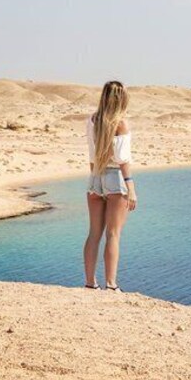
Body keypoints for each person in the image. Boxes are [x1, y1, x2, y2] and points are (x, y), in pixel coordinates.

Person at [83, 80, 138, 291]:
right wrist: (131, 188)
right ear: (122, 99)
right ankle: (111, 284)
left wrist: (95, 178)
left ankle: (90, 282)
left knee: (93, 234)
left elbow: (91, 155)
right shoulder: (120, 123)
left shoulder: (93, 120)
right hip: (116, 177)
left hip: (95, 176)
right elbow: (123, 160)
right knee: (113, 234)